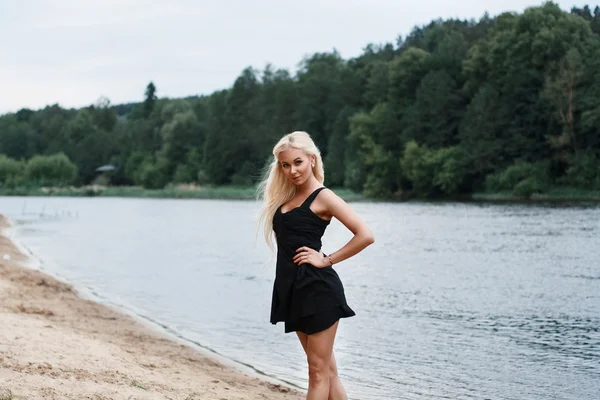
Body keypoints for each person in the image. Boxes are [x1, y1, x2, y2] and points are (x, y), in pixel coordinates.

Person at [257, 131, 375, 399]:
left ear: (312, 159)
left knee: (317, 372)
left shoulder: (323, 196)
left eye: (297, 162)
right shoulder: (286, 199)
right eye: (285, 165)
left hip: (318, 290)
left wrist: (326, 259)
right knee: (327, 371)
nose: (292, 170)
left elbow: (365, 235)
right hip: (293, 290)